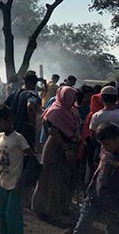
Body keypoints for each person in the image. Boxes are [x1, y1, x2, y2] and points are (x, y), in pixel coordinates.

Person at [72, 123, 119, 234]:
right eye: (102, 144)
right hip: (95, 198)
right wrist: (91, 187)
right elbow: (99, 169)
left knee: (104, 229)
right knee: (82, 227)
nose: (105, 146)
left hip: (115, 203)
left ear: (117, 139)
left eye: (107, 143)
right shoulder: (105, 151)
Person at [32, 86, 80, 223]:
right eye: (71, 97)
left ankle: (60, 208)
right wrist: (65, 149)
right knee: (52, 180)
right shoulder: (56, 111)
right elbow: (54, 132)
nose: (73, 100)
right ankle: (48, 210)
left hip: (67, 147)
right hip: (56, 148)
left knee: (63, 179)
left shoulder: (69, 110)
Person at [0, 104, 34, 234]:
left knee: (12, 216)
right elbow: (3, 155)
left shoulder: (18, 138)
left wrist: (23, 179)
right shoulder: (0, 137)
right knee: (3, 214)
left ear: (9, 120)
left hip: (15, 182)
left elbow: (31, 157)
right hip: (3, 181)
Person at [4, 73, 41, 149]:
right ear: (33, 84)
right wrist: (33, 123)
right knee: (27, 153)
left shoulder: (14, 94)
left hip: (14, 130)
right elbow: (30, 106)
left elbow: (4, 106)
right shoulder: (31, 95)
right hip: (26, 131)